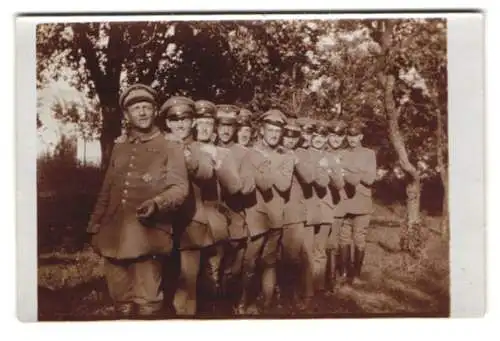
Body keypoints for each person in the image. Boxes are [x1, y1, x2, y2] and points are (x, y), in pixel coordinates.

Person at [87, 84, 189, 318]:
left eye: (146, 107)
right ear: (127, 115)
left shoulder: (170, 145)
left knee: (148, 303)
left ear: (154, 111)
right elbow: (107, 189)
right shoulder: (120, 146)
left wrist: (157, 203)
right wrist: (95, 225)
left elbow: (179, 188)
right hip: (114, 236)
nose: (142, 112)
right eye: (136, 108)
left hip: (149, 235)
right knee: (120, 301)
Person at [161, 96, 221, 315]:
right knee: (161, 280)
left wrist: (186, 158)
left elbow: (206, 172)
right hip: (161, 224)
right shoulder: (158, 145)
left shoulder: (199, 149)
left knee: (188, 283)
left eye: (185, 119)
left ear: (193, 122)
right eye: (174, 120)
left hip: (191, 224)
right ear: (167, 123)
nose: (180, 124)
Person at [244, 109, 295, 310]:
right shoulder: (250, 152)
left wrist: (264, 165)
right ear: (262, 130)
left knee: (270, 261)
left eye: (277, 131)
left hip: (275, 215)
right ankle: (243, 301)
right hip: (255, 214)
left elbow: (283, 185)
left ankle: (266, 304)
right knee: (249, 261)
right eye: (270, 130)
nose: (274, 134)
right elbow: (257, 182)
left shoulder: (286, 155)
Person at [213, 104, 256, 308]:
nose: (225, 130)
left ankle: (228, 306)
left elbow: (247, 186)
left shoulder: (243, 153)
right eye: (221, 124)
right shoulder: (205, 147)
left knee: (232, 267)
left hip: (234, 217)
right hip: (209, 219)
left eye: (230, 126)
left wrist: (235, 180)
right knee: (211, 267)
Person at [279, 117, 316, 305]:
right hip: (271, 212)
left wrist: (297, 162)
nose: (290, 141)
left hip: (293, 213)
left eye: (294, 138)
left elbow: (310, 178)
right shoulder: (272, 151)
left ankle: (290, 295)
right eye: (286, 137)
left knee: (292, 257)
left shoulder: (303, 153)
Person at [304, 121, 340, 293]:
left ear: (327, 139)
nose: (319, 140)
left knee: (320, 250)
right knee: (306, 251)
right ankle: (306, 289)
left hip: (325, 208)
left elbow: (339, 184)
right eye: (316, 136)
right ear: (311, 136)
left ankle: (318, 288)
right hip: (308, 208)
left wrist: (330, 169)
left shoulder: (332, 158)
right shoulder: (303, 154)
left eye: (323, 136)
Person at [341, 121, 377, 285]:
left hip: (362, 203)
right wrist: (359, 172)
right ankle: (344, 273)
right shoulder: (341, 152)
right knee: (343, 239)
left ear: (361, 136)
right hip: (345, 202)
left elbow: (370, 179)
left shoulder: (369, 154)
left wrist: (349, 169)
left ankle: (356, 274)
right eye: (349, 135)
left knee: (359, 239)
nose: (352, 139)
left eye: (355, 136)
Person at [324, 120, 349, 288]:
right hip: (320, 202)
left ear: (344, 137)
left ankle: (332, 278)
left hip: (337, 201)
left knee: (333, 241)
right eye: (332, 135)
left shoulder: (346, 155)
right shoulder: (321, 152)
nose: (335, 139)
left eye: (339, 136)